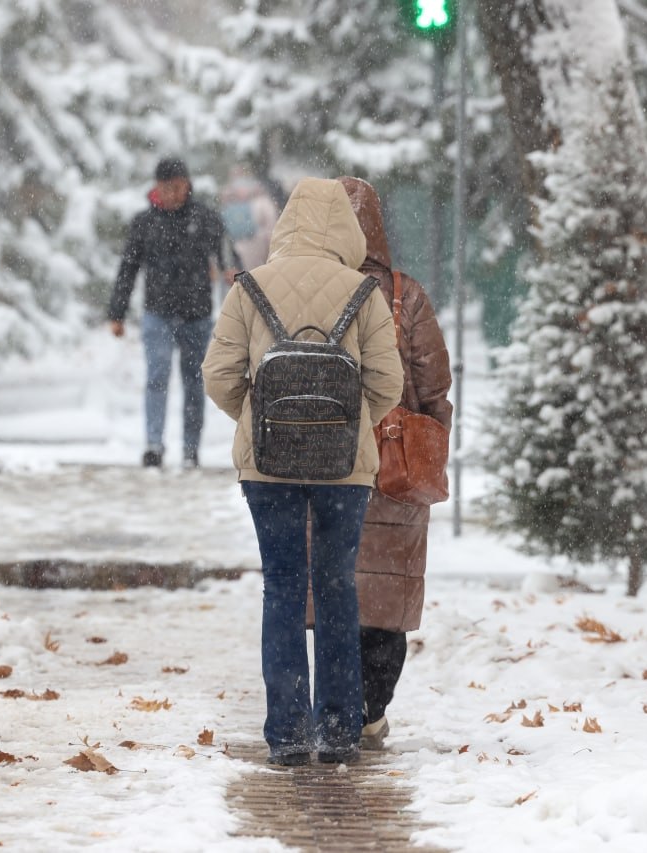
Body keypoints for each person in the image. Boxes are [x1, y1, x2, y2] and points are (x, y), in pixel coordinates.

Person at [202, 177, 404, 766]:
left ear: (287, 225)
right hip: (345, 470)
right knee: (338, 588)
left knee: (283, 587)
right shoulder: (363, 293)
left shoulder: (251, 287)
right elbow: (387, 383)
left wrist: (261, 418)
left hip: (267, 467)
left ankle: (287, 732)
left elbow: (219, 375)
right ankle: (340, 732)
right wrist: (345, 424)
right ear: (345, 230)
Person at [337, 176, 453, 751]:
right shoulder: (406, 296)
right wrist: (425, 441)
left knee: (334, 594)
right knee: (386, 599)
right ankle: (371, 708)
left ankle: (334, 703)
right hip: (396, 471)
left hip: (331, 468)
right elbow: (436, 392)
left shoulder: (314, 292)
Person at [108, 157, 233, 469]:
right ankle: (154, 444)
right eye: (166, 188)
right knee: (157, 376)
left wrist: (233, 272)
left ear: (187, 185)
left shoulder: (205, 218)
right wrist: (117, 312)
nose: (172, 194)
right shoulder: (144, 223)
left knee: (193, 382)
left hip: (197, 315)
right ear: (157, 188)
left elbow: (227, 257)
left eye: (178, 187)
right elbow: (128, 269)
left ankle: (191, 450)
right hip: (157, 314)